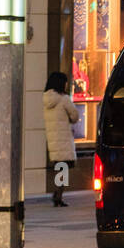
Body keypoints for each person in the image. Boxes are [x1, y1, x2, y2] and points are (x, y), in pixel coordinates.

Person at [43, 71, 79, 207]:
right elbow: (75, 116)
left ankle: (58, 194)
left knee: (60, 167)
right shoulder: (64, 99)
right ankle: (58, 195)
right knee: (63, 168)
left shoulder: (46, 99)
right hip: (63, 140)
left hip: (54, 140)